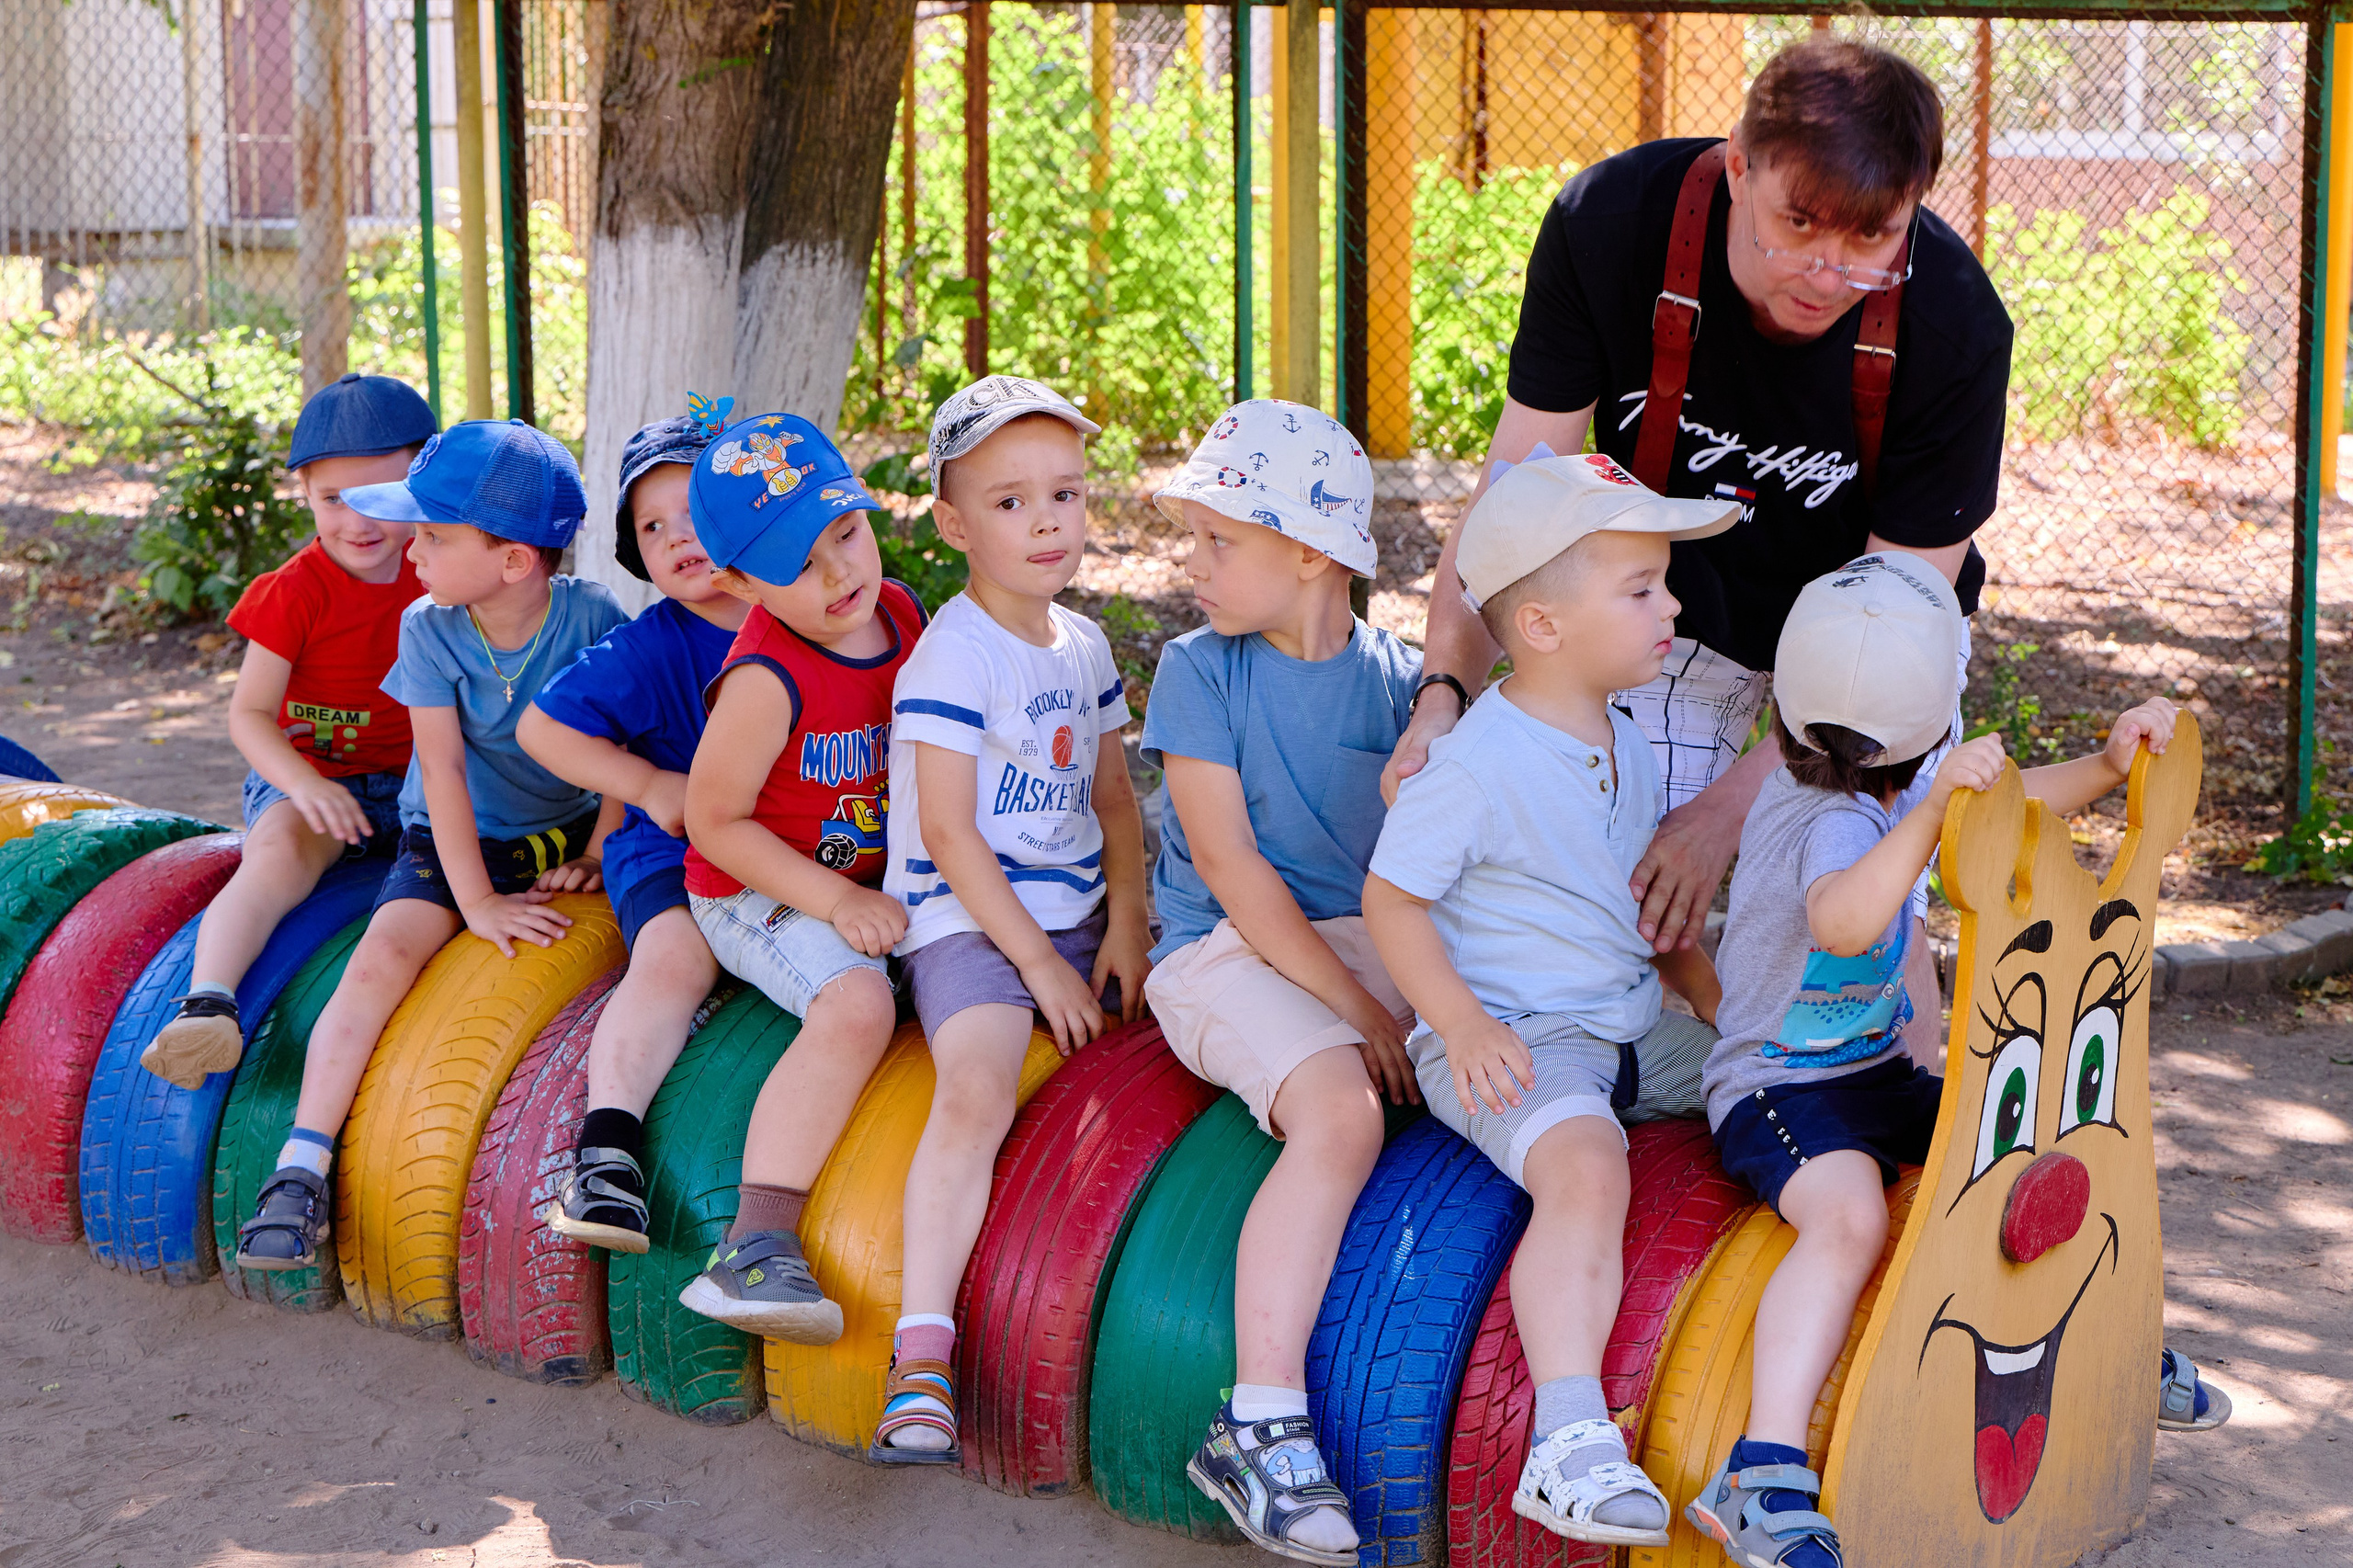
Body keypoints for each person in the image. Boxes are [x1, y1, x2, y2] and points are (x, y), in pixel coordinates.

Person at [1385, 39, 2013, 1030]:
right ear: (1738, 167)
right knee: (1618, 882)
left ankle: (1911, 1109)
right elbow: (1512, 504)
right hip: (1670, 605)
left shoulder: (1956, 324)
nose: (1826, 271)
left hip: (1866, 639)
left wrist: (1732, 812)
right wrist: (1443, 696)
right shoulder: (1609, 226)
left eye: (1868, 241)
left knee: (1853, 894)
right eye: (1796, 224)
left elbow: (1903, 618)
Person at [1687, 555, 2206, 1568]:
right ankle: (1760, 1465)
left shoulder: (1896, 781)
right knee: (1848, 1220)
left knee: (2038, 1146)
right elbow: (1840, 919)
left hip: (1873, 1071)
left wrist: (2105, 765)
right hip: (1778, 1086)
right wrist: (1925, 816)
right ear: (1932, 715)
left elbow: (2006, 811)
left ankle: (2103, 1343)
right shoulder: (1821, 813)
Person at [1362, 452, 1732, 1548]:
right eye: (1641, 588)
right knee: (1586, 1165)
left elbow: (1620, 905)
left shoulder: (1622, 733)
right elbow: (1390, 899)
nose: (1672, 605)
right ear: (1540, 623)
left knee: (1774, 1087)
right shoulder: (1478, 763)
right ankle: (1567, 1439)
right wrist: (1462, 1023)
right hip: (1513, 1034)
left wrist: (1712, 1012)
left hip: (1624, 1022)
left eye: (1664, 581)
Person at [233, 420, 628, 1270]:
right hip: (449, 839)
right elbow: (442, 772)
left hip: (563, 834)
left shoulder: (594, 615)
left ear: (515, 560)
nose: (411, 552)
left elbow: (626, 750)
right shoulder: (429, 626)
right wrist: (475, 901)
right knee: (379, 960)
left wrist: (598, 851)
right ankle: (299, 1167)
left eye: (434, 536)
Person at [1140, 401, 1421, 1567]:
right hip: (1220, 948)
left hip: (1360, 941)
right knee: (1343, 1110)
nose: (1189, 565)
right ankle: (1257, 1420)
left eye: (1220, 542)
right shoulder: (1198, 672)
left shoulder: (1401, 683)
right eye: (1193, 537)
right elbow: (1233, 874)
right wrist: (1364, 1016)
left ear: (1312, 552)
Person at [870, 375, 1152, 1462]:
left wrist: (1125, 924)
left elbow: (1117, 801)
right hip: (970, 920)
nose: (1046, 521)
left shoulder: (1081, 645)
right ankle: (923, 1354)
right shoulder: (953, 653)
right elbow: (947, 834)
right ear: (951, 524)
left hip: (1078, 907)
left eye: (1066, 494)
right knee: (978, 1083)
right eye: (1008, 501)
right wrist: (1038, 967)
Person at [670, 412, 922, 1344]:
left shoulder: (898, 612)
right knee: (858, 1007)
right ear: (737, 583)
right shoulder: (765, 677)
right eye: (800, 561)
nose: (840, 572)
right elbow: (714, 822)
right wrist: (834, 900)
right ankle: (753, 1243)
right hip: (755, 886)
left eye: (846, 532)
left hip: (866, 866)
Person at [140, 373, 438, 1089]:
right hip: (312, 779)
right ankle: (207, 1004)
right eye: (333, 499)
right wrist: (305, 785)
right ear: (303, 494)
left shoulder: (442, 573)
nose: (357, 522)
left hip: (425, 781)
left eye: (380, 498)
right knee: (276, 855)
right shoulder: (293, 593)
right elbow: (248, 715)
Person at [517, 413, 748, 1256]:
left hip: (804, 846)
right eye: (653, 527)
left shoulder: (817, 615)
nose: (677, 536)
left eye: (696, 510)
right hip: (677, 853)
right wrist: (648, 785)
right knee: (674, 961)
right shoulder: (651, 647)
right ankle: (605, 1152)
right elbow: (544, 732)